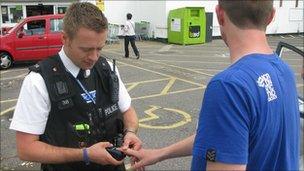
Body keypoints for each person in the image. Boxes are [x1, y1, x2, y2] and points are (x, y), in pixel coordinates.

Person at [123, 1, 300, 170]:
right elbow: (223, 138)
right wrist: (160, 153)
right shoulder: (284, 70)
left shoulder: (230, 86)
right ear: (271, 16)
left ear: (220, 15)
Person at [10, 2, 142, 171]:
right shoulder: (39, 80)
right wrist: (85, 154)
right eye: (86, 49)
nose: (94, 57)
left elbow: (128, 111)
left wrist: (130, 132)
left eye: (99, 48)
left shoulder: (107, 68)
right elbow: (26, 149)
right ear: (65, 39)